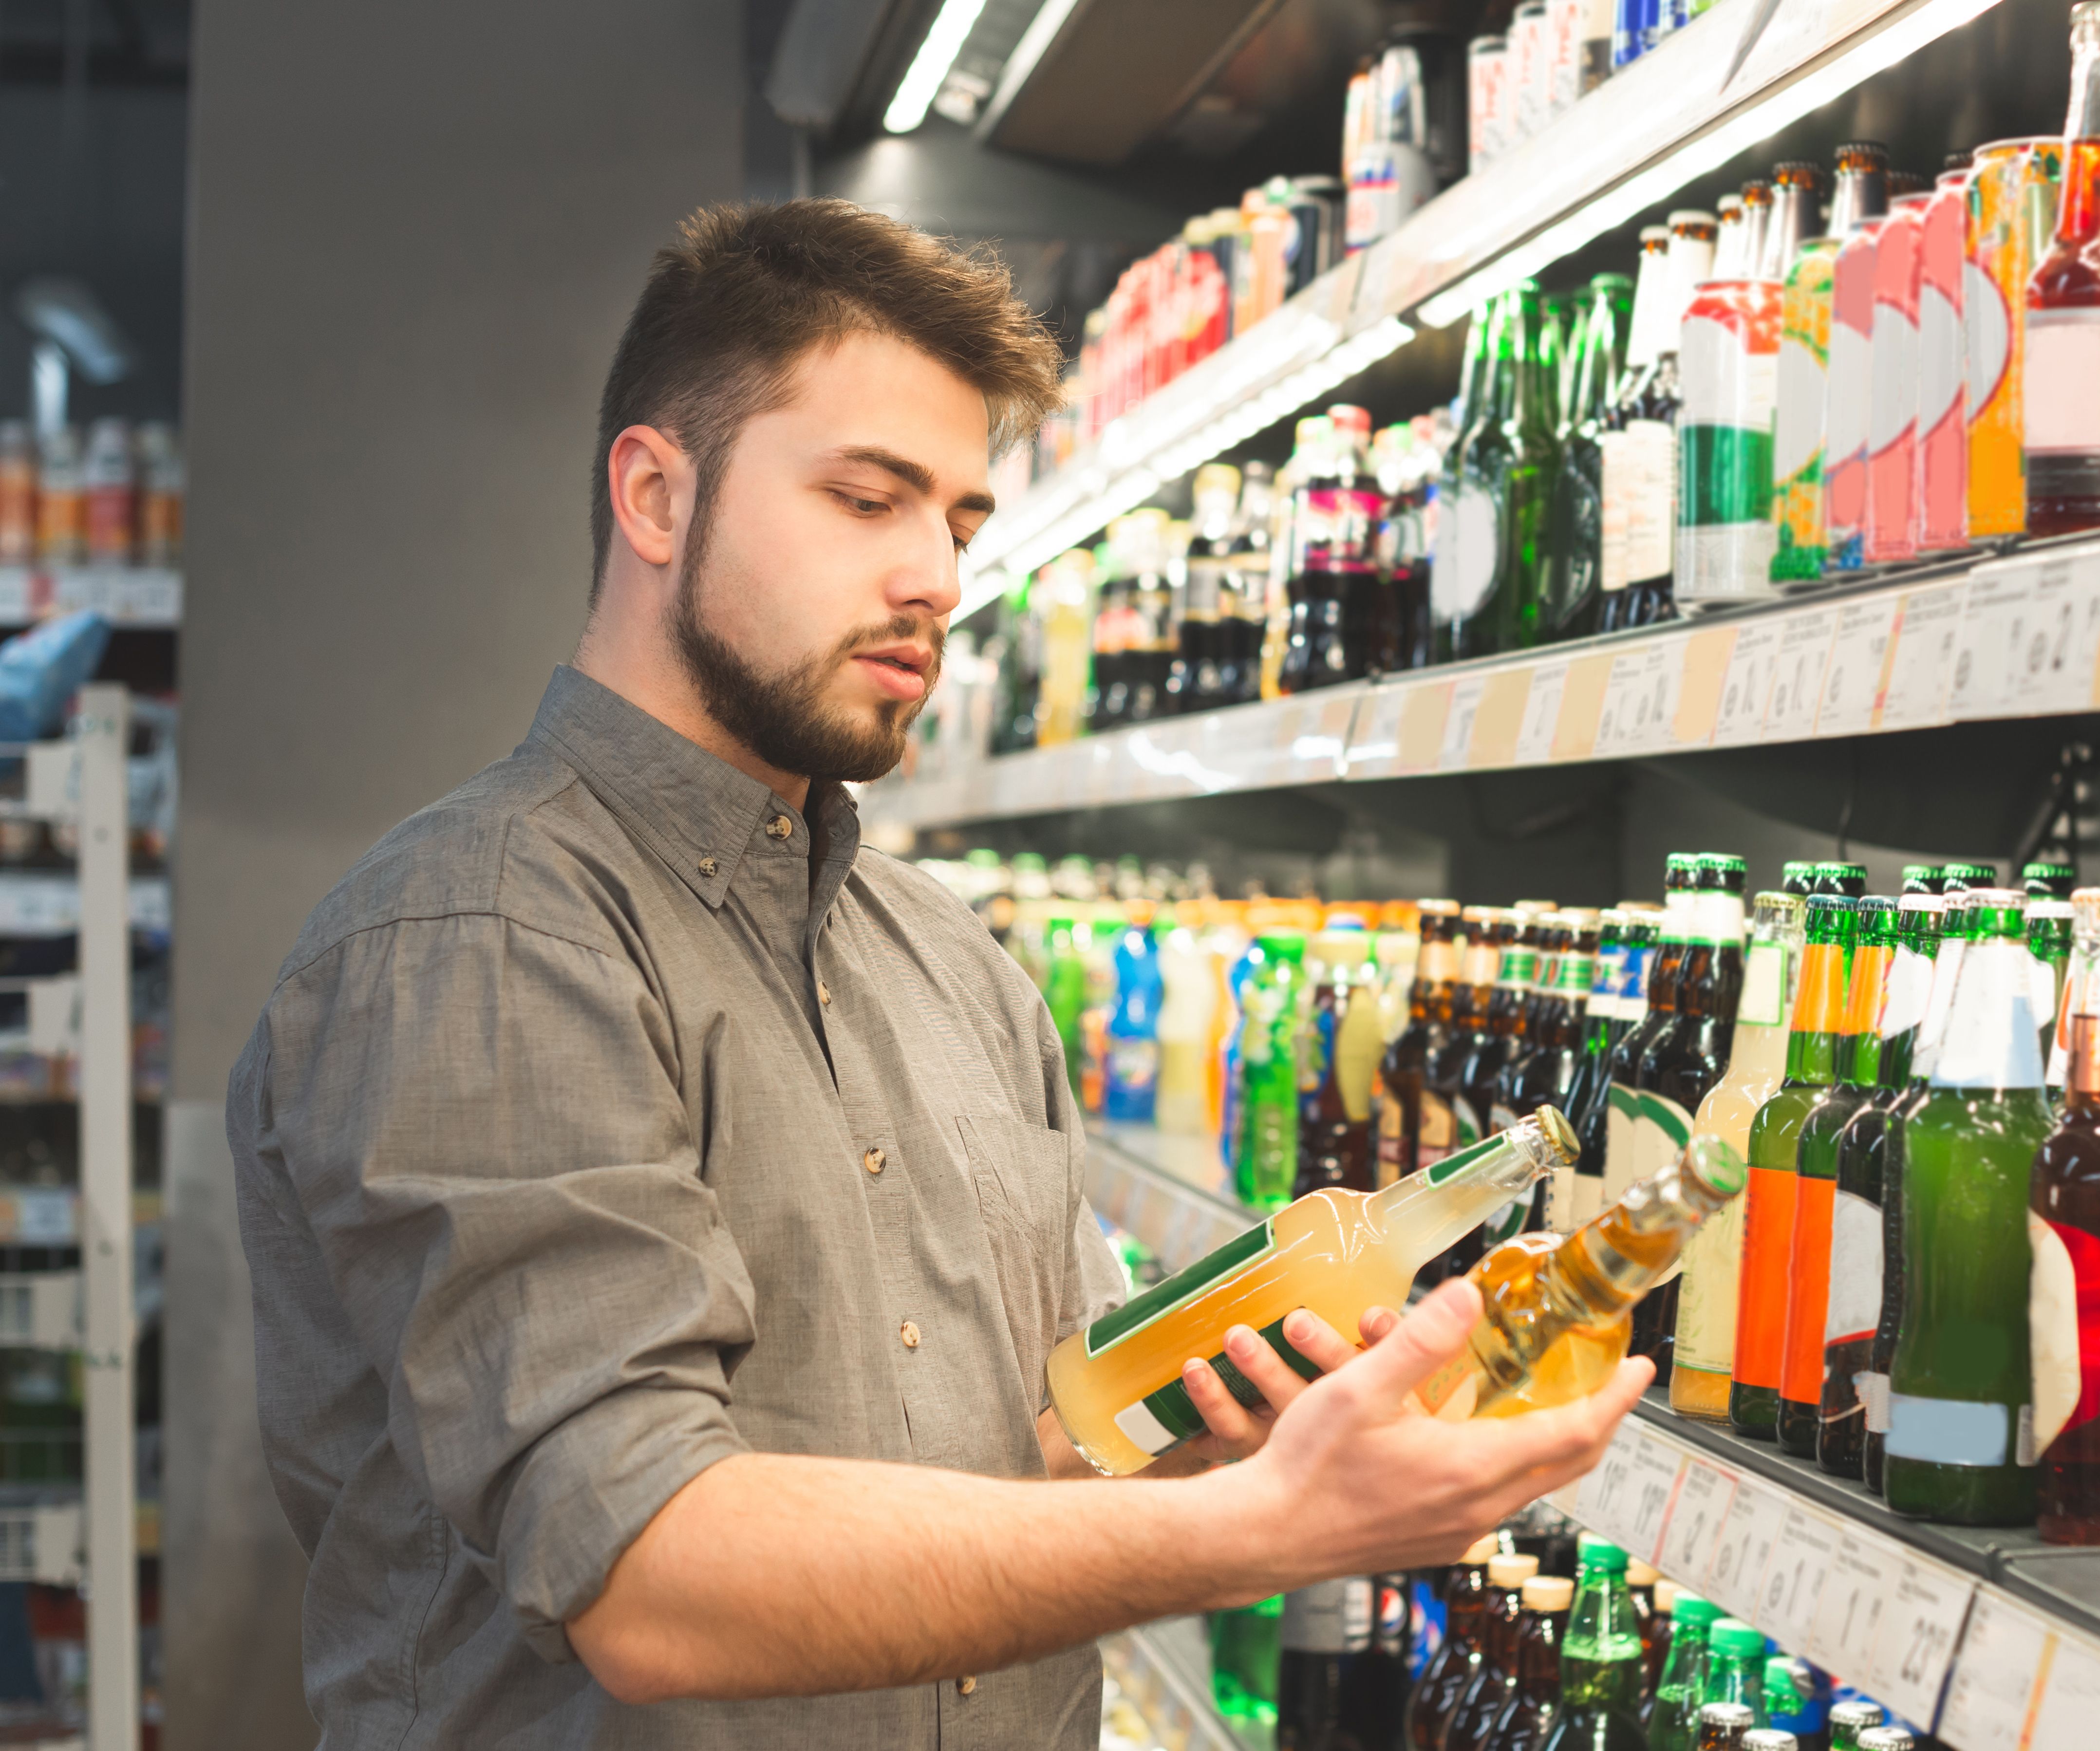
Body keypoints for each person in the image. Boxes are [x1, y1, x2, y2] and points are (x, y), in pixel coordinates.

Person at [227, 198, 1649, 1747]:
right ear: (652, 493)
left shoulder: (950, 962)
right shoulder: (486, 937)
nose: (935, 580)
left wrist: (1226, 1435)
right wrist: (1268, 1529)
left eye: (960, 523)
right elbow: (642, 1571)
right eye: (864, 499)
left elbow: (1022, 1461)